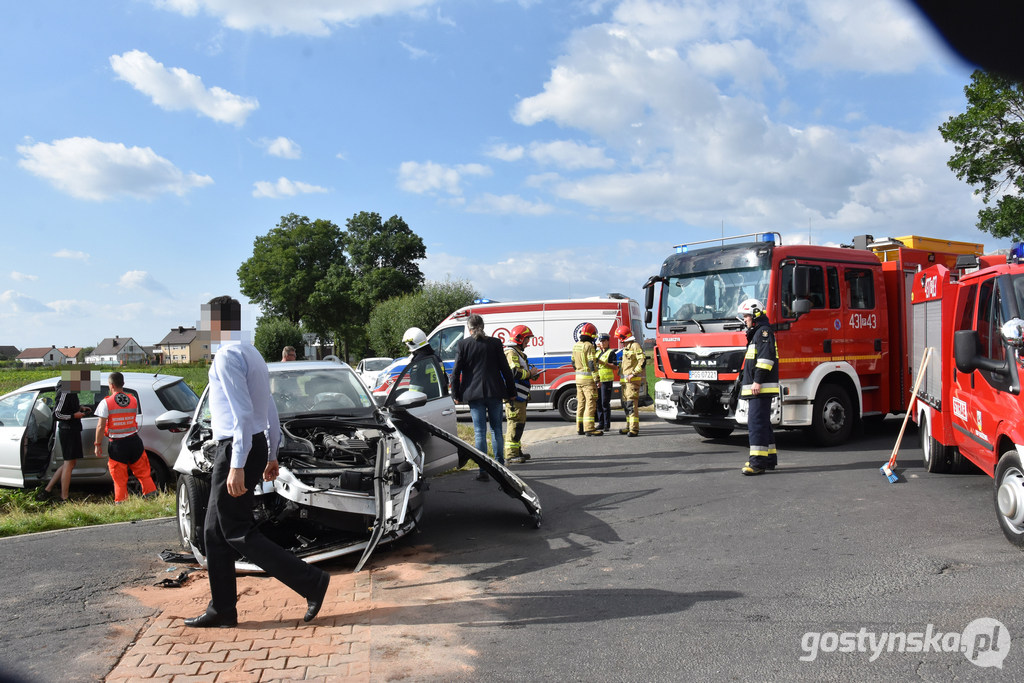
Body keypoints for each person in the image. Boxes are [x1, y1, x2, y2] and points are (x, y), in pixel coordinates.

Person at [185, 296, 329, 628]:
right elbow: (269, 408)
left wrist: (236, 464)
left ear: (216, 323)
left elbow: (244, 414)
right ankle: (222, 608)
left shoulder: (227, 356)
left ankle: (312, 582)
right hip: (251, 446)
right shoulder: (252, 352)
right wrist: (272, 452)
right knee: (213, 532)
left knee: (236, 531)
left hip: (237, 448)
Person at [450, 314, 515, 481]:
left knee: (479, 432)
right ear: (483, 326)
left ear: (469, 328)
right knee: (497, 430)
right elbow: (505, 369)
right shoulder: (495, 343)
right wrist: (511, 391)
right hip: (495, 392)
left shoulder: (463, 344)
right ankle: (500, 467)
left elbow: (455, 372)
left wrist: (455, 394)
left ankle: (483, 471)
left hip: (474, 394)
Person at [93, 372, 158, 503]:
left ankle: (122, 504)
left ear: (111, 385)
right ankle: (152, 500)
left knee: (119, 478)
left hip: (118, 445)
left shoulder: (106, 403)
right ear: (123, 384)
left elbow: (100, 426)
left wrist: (97, 444)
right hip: (134, 441)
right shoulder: (133, 399)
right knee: (144, 474)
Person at [737, 298, 779, 475]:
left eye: (746, 316)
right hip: (760, 387)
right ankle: (768, 459)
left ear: (755, 314)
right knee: (763, 423)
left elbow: (765, 360)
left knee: (756, 424)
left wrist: (757, 381)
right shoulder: (758, 332)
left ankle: (757, 463)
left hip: (760, 387)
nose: (744, 320)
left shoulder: (763, 333)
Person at [39, 376, 92, 502]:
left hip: (72, 429)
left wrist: (80, 408)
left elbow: (66, 408)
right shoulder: (64, 391)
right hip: (68, 431)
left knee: (69, 463)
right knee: (69, 463)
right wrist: (74, 415)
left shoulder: (71, 390)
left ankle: (47, 489)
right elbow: (56, 414)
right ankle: (64, 498)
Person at [503, 325, 540, 464]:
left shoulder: (517, 352)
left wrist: (532, 374)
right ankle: (511, 455)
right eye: (526, 339)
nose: (528, 343)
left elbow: (521, 372)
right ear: (519, 339)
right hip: (514, 396)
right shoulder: (511, 353)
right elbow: (514, 373)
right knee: (515, 424)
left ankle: (517, 452)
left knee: (519, 424)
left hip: (520, 395)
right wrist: (530, 373)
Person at [571, 322, 602, 436]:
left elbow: (573, 362)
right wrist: (597, 379)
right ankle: (589, 428)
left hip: (578, 379)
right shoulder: (589, 346)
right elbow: (592, 364)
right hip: (588, 380)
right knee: (590, 403)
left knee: (581, 403)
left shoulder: (576, 345)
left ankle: (580, 428)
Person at [615, 326, 646, 437]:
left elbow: (642, 361)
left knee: (631, 404)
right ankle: (629, 426)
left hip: (632, 382)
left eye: (620, 338)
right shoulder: (627, 348)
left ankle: (634, 429)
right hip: (625, 383)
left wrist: (633, 373)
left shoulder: (635, 346)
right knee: (626, 405)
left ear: (624, 337)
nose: (619, 340)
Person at [594, 333, 617, 432]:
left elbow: (615, 367)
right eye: (601, 341)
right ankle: (600, 423)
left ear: (608, 342)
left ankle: (607, 424)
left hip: (606, 381)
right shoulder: (598, 353)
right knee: (598, 403)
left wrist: (603, 363)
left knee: (605, 403)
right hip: (598, 380)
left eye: (604, 341)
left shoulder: (611, 353)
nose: (602, 343)